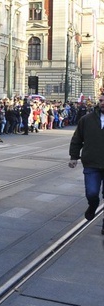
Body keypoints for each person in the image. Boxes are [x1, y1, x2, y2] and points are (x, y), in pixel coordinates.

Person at [68, 94, 104, 234]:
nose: (102, 103)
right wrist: (73, 157)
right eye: (101, 101)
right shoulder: (86, 119)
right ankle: (93, 204)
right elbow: (77, 139)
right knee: (92, 192)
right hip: (92, 164)